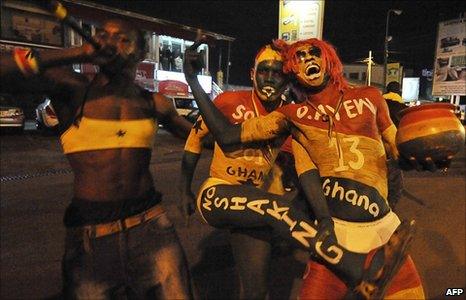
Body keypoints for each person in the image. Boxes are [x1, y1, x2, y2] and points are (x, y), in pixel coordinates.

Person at [183, 38, 435, 299]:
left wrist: (425, 157)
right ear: (294, 72)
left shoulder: (370, 97)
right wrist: (192, 80)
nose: (307, 60)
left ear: (328, 59)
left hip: (383, 234)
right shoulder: (293, 116)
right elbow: (225, 136)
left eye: (313, 53)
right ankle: (356, 268)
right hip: (335, 238)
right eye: (299, 58)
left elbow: (398, 152)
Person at [0, 19, 193, 299]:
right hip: (89, 237)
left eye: (122, 39)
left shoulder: (153, 102)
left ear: (140, 53)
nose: (110, 42)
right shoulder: (72, 89)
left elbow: (204, 139)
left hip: (152, 228)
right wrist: (77, 52)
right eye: (103, 35)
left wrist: (194, 81)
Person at [180, 44, 298, 299]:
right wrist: (184, 190)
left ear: (287, 79)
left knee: (256, 290)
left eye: (277, 72)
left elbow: (292, 163)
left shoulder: (288, 115)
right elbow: (195, 138)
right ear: (251, 74)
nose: (269, 77)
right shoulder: (228, 101)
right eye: (263, 70)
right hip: (222, 193)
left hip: (256, 199)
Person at [382, 81, 409, 208]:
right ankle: (387, 213)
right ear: (399, 92)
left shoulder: (377, 104)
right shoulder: (403, 109)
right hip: (391, 151)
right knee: (396, 186)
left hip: (372, 150)